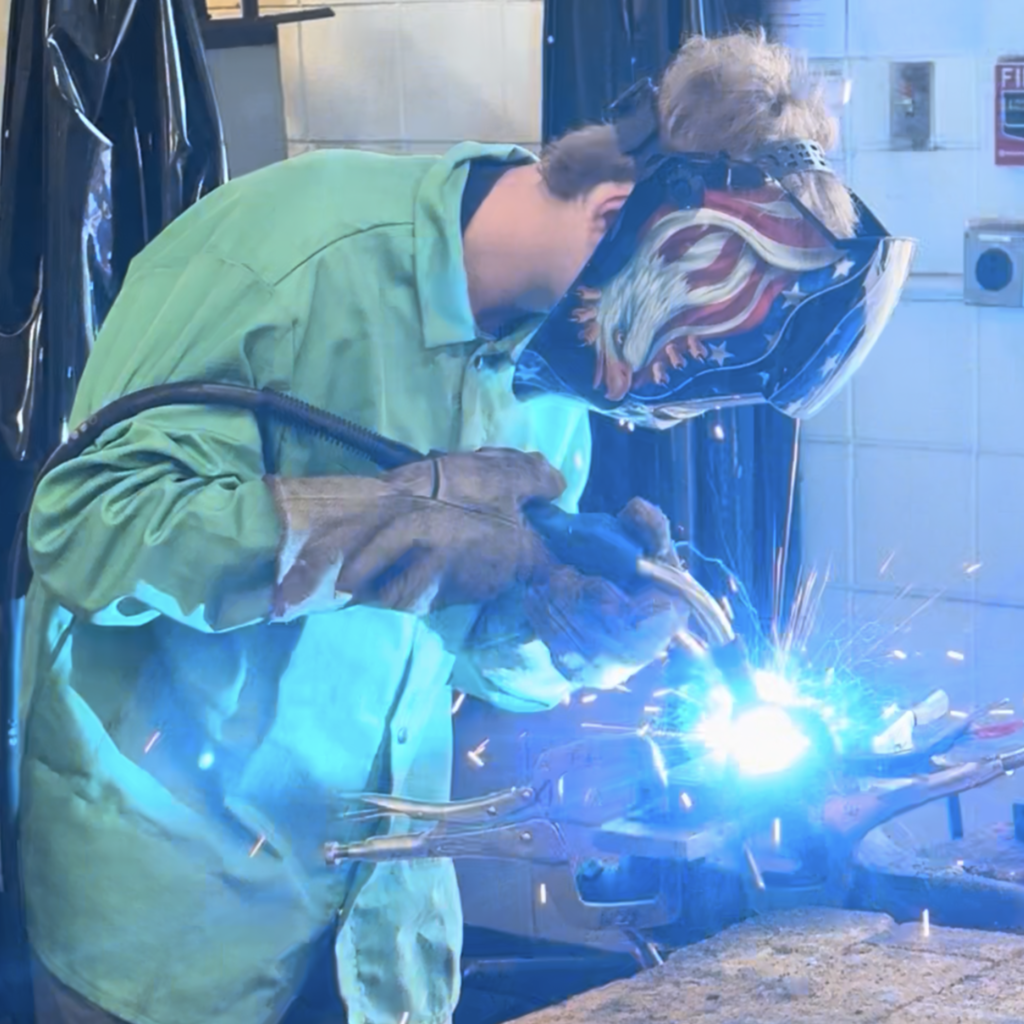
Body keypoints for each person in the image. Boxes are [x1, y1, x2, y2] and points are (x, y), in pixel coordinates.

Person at [17, 29, 910, 1024]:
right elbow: (80, 525)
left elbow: (468, 657)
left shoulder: (549, 385)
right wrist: (399, 519)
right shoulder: (283, 262)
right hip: (170, 922)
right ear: (621, 215)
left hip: (383, 936)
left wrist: (570, 633)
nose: (653, 416)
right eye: (672, 379)